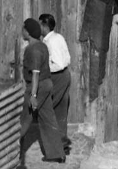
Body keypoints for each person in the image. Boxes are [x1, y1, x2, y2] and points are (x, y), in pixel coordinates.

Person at [19, 18, 64, 164]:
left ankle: (12, 151)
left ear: (28, 32)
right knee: (47, 118)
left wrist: (33, 95)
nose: (22, 31)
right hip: (46, 85)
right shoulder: (41, 45)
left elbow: (35, 73)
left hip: (38, 87)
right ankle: (57, 154)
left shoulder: (34, 49)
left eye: (23, 29)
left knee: (24, 118)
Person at [40, 13, 73, 158]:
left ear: (45, 26)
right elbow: (68, 58)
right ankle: (63, 147)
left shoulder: (51, 42)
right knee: (60, 112)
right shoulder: (58, 37)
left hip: (57, 77)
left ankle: (54, 152)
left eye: (40, 25)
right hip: (65, 75)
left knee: (46, 112)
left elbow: (58, 64)